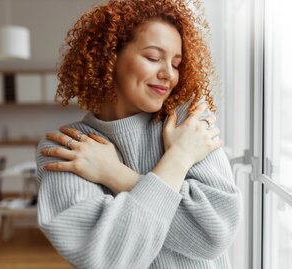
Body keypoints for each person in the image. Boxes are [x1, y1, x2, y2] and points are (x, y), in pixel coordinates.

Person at [36, 0, 242, 268]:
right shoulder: (68, 147)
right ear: (109, 57)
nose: (169, 74)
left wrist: (116, 175)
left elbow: (212, 235)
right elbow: (106, 257)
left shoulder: (186, 123)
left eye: (176, 64)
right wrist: (179, 158)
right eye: (154, 58)